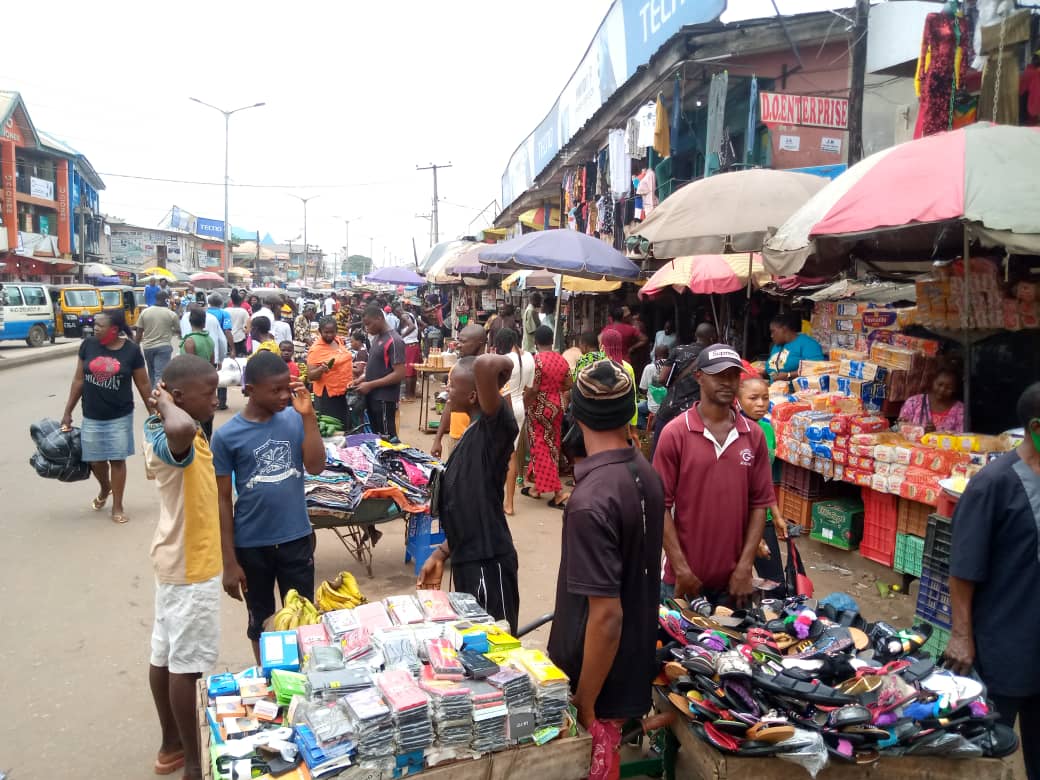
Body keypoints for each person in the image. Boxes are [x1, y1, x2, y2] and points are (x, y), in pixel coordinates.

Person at [547, 360, 664, 768]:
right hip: (630, 667)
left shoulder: (591, 500)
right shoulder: (645, 472)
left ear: (576, 414)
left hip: (598, 681)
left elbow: (607, 617)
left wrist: (585, 700)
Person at [946, 383, 1040, 779]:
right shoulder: (993, 484)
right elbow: (963, 570)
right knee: (987, 752)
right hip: (1004, 645)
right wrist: (962, 635)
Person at [212, 351, 326, 661]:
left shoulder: (294, 418)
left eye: (286, 388)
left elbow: (316, 465)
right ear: (249, 390)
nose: (283, 396)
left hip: (295, 537)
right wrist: (229, 561)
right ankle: (267, 676)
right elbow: (222, 500)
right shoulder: (226, 437)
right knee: (259, 620)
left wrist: (309, 416)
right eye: (274, 390)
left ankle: (304, 678)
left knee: (302, 617)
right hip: (251, 543)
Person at [143, 354, 221, 780]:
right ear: (177, 397)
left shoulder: (169, 431)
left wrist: (166, 402)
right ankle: (192, 764)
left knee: (165, 655)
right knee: (185, 666)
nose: (215, 399)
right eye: (208, 393)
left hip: (177, 561)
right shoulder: (172, 432)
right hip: (191, 565)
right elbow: (182, 428)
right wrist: (163, 403)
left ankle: (171, 746)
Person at [653, 345, 775, 606]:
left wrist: (744, 567)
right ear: (699, 377)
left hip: (733, 582)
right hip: (681, 581)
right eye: (718, 375)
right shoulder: (676, 433)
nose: (727, 382)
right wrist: (681, 568)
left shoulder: (753, 436)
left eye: (732, 376)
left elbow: (758, 505)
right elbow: (658, 507)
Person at [417, 354, 521, 634]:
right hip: (467, 559)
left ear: (474, 395)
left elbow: (487, 364)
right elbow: (470, 509)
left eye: (452, 386)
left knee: (498, 649)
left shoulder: (494, 430)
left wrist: (497, 379)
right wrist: (440, 553)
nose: (447, 392)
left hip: (489, 563)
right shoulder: (470, 436)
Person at [61, 309, 150, 525]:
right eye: (94, 325)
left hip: (120, 415)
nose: (94, 328)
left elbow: (143, 383)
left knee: (117, 459)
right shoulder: (88, 345)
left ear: (114, 329)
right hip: (91, 414)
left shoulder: (131, 350)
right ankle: (105, 487)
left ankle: (117, 505)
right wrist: (67, 412)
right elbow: (78, 380)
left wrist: (154, 413)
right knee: (95, 460)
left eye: (99, 325)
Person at [737, 375, 789, 594]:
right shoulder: (733, 432)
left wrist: (776, 515)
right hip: (737, 519)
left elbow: (765, 478)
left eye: (765, 398)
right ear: (738, 400)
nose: (760, 404)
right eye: (753, 398)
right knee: (737, 579)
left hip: (763, 516)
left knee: (776, 582)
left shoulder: (766, 430)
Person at [522, 325, 572, 508]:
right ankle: (536, 488)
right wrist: (555, 391)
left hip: (540, 406)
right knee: (553, 444)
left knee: (540, 446)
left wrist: (525, 404)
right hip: (557, 405)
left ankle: (558, 493)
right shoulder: (561, 359)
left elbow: (533, 388)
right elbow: (569, 383)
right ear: (552, 340)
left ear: (535, 342)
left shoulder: (537, 361)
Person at [651, 322, 717, 456]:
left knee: (659, 456)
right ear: (712, 338)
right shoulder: (713, 356)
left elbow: (662, 378)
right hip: (692, 414)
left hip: (668, 409)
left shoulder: (678, 350)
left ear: (696, 336)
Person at [431, 324, 487, 460]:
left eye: (463, 341)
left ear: (479, 343)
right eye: (458, 341)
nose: (458, 345)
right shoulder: (457, 370)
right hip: (456, 437)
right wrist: (438, 439)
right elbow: (449, 403)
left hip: (482, 440)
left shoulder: (490, 370)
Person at [496, 327, 535, 516]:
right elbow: (531, 389)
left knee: (504, 456)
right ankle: (507, 503)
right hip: (520, 407)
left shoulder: (504, 360)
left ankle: (505, 503)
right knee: (509, 454)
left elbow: (502, 391)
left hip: (506, 407)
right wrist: (522, 407)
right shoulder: (529, 358)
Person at [354, 304, 406, 440]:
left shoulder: (394, 340)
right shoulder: (378, 338)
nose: (367, 328)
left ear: (379, 318)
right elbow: (379, 367)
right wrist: (363, 379)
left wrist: (370, 385)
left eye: (369, 324)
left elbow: (399, 374)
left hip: (384, 398)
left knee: (388, 438)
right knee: (377, 436)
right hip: (373, 396)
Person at [307, 316, 354, 425]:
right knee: (333, 427)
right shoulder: (316, 349)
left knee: (344, 425)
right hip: (328, 397)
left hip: (344, 392)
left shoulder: (338, 341)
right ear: (320, 331)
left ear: (336, 331)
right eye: (326, 332)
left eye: (332, 332)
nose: (329, 335)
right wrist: (321, 369)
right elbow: (311, 376)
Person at [135, 290, 181, 389]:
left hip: (147, 347)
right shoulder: (171, 314)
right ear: (167, 300)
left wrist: (135, 347)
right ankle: (158, 398)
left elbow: (139, 331)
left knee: (152, 373)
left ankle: (153, 395)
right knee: (160, 374)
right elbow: (178, 330)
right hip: (163, 347)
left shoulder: (145, 312)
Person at [898, 369, 965, 433]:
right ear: (933, 382)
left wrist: (935, 434)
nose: (942, 390)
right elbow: (901, 429)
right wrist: (920, 431)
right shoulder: (913, 402)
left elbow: (961, 439)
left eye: (949, 388)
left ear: (955, 389)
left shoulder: (960, 410)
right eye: (939, 384)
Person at [600, 329, 639, 437]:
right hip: (622, 423)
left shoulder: (595, 366)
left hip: (600, 422)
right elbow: (633, 400)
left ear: (602, 346)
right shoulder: (627, 368)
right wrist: (633, 429)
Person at [766, 312, 824, 382]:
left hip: (798, 391)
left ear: (784, 329)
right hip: (774, 389)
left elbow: (817, 368)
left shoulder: (808, 344)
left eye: (773, 331)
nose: (771, 335)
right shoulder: (777, 346)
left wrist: (789, 375)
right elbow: (774, 367)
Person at [206, 294, 234, 411]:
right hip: (219, 346)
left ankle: (207, 400)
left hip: (204, 345)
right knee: (221, 374)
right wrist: (233, 348)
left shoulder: (204, 313)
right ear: (221, 303)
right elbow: (227, 331)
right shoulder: (224, 314)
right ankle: (221, 402)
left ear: (209, 302)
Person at [638, 344, 670, 430]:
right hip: (669, 408)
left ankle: (647, 430)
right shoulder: (673, 367)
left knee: (636, 410)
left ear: (655, 356)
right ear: (668, 355)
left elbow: (643, 389)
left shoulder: (649, 368)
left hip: (652, 407)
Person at [394, 301, 421, 401]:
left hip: (409, 346)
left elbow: (412, 327)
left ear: (397, 311)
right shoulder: (411, 315)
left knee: (408, 372)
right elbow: (420, 326)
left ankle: (409, 395)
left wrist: (402, 337)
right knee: (413, 371)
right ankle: (412, 394)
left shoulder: (404, 316)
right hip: (414, 345)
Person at [227, 290, 251, 358]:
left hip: (227, 338)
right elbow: (247, 325)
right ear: (240, 302)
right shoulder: (243, 311)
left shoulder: (226, 310)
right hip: (239, 338)